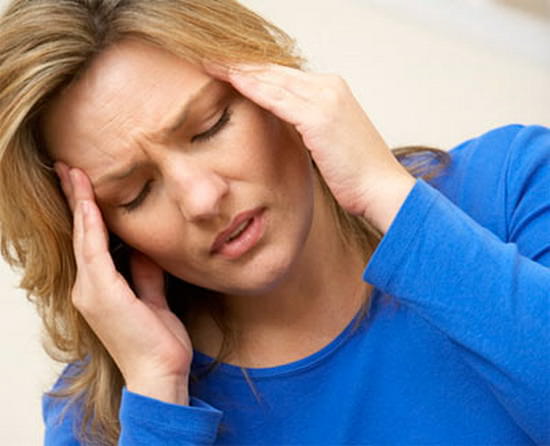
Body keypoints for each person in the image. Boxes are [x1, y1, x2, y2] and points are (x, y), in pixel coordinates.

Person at [0, 0, 548, 444]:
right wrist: (158, 398)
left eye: (211, 126)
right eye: (136, 193)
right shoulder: (105, 418)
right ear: (101, 236)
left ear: (275, 83)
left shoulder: (512, 186)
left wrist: (391, 200)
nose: (202, 198)